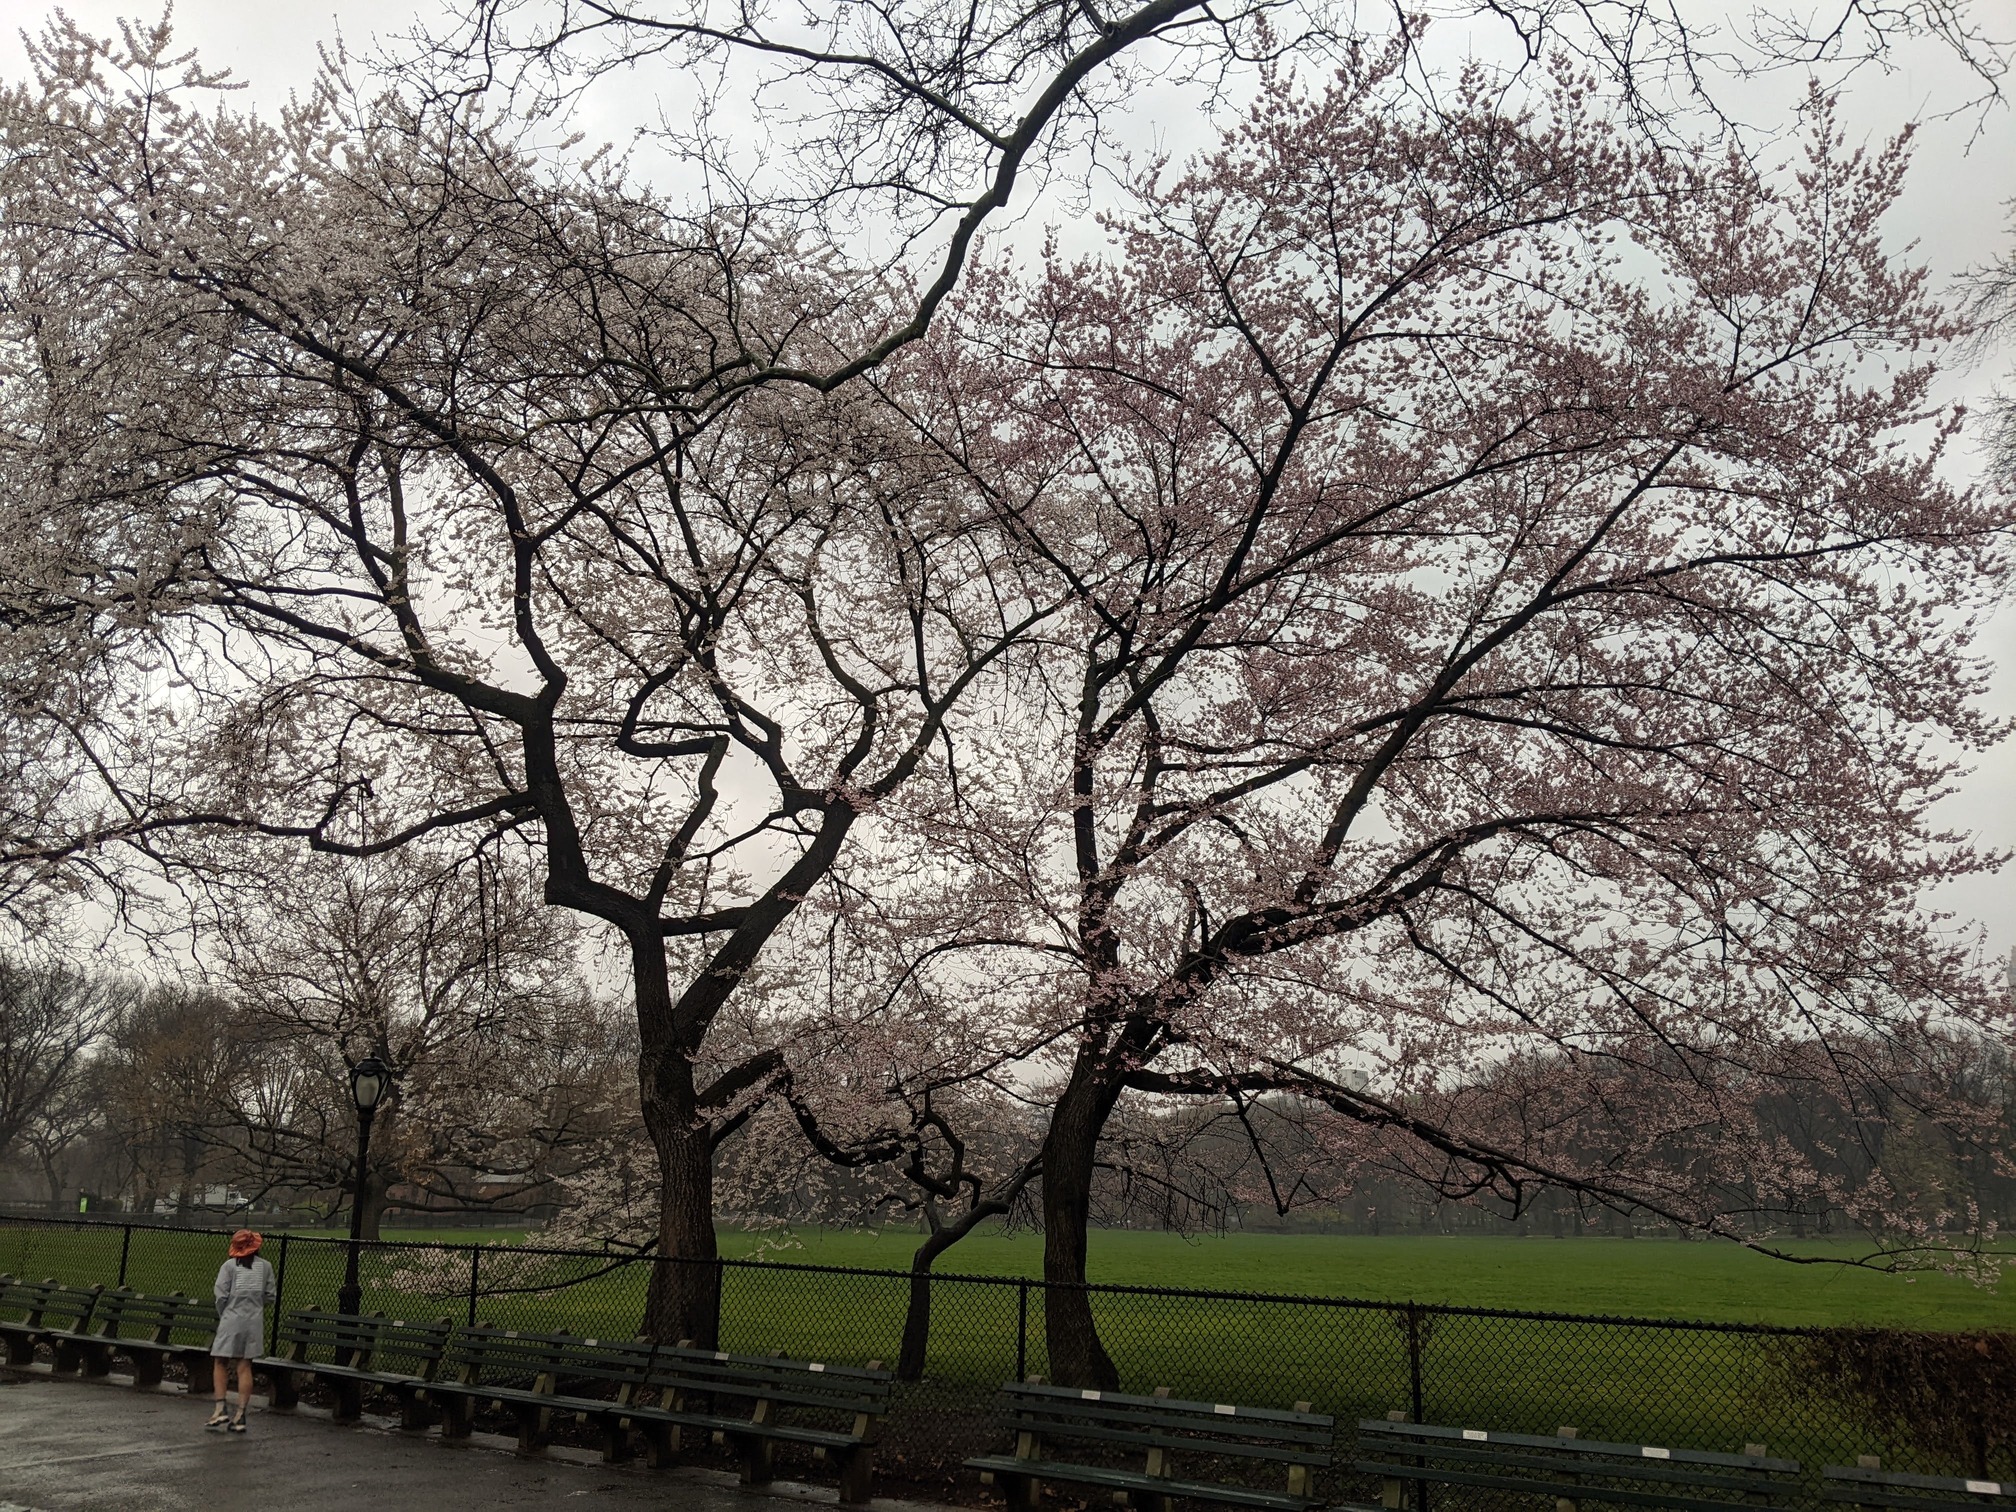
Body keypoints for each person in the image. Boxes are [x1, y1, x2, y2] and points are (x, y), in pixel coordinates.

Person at [206, 1230, 275, 1432]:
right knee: (245, 1366)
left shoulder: (229, 1267)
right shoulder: (265, 1267)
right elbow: (270, 1295)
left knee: (220, 1361)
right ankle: (241, 1415)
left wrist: (224, 1313)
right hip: (253, 1321)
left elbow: (221, 1295)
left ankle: (220, 1408)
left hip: (231, 1318)